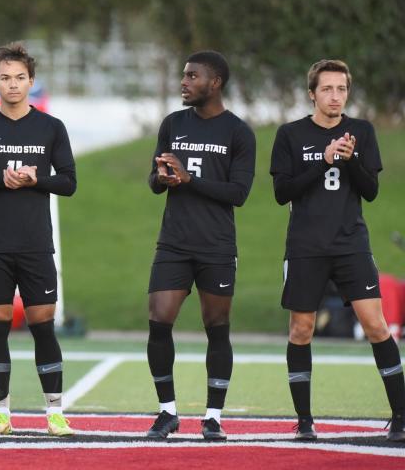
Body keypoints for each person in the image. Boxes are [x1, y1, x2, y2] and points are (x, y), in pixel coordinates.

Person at [270, 59, 404, 442]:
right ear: (312, 93)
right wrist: (325, 160)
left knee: (377, 326)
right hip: (305, 247)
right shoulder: (290, 134)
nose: (335, 96)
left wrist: (350, 159)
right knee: (301, 329)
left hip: (351, 245)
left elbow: (371, 191)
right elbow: (283, 193)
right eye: (327, 89)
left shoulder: (361, 131)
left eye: (341, 89)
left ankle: (400, 417)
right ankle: (305, 422)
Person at [0, 42, 77, 437]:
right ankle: (0, 414)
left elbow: (69, 182)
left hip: (36, 243)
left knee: (43, 325)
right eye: (5, 78)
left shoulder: (51, 128)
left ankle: (55, 413)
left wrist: (37, 177)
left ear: (31, 81)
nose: (13, 84)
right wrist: (0, 179)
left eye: (20, 78)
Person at [144, 51, 255, 441]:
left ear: (215, 82)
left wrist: (190, 180)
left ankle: (213, 417)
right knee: (159, 321)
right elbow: (153, 182)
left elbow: (238, 193)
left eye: (192, 76)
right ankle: (167, 412)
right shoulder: (173, 124)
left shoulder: (239, 132)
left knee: (217, 327)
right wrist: (162, 178)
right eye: (183, 75)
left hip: (216, 246)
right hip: (174, 242)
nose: (184, 82)